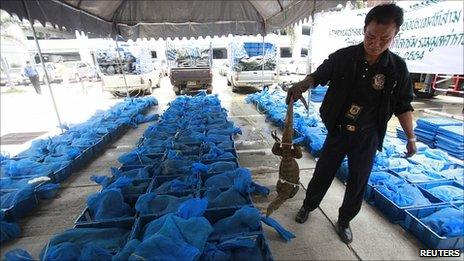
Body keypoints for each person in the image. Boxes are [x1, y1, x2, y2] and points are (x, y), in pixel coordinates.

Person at [286, 4, 416, 244]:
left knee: (358, 181)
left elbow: (404, 105)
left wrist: (411, 138)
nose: (375, 43)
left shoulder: (397, 68)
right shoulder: (345, 57)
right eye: (370, 36)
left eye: (384, 38)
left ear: (395, 35)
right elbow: (319, 75)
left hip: (368, 136)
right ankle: (308, 206)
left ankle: (344, 220)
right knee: (323, 172)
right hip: (338, 130)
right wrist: (301, 86)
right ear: (364, 29)